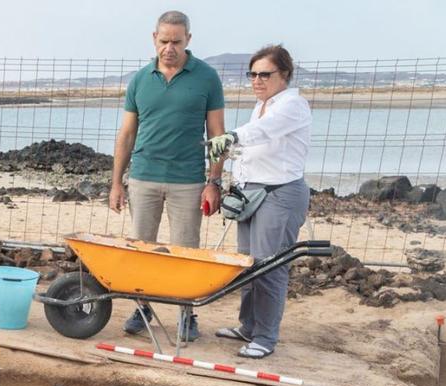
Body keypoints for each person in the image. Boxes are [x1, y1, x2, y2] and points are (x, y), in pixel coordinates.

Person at [108, 10, 227, 340]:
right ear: (154, 39)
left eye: (176, 41)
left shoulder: (206, 78)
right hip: (143, 178)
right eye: (164, 41)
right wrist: (117, 182)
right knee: (141, 249)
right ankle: (142, 307)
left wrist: (214, 182)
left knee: (185, 252)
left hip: (188, 181)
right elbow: (127, 134)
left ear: (188, 39)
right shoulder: (140, 79)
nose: (169, 48)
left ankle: (186, 314)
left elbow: (218, 134)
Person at [206, 45, 312, 359]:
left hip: (280, 194)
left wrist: (231, 138)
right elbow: (255, 145)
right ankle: (248, 326)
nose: (257, 80)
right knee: (249, 265)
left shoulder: (293, 105)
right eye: (252, 74)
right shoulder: (262, 105)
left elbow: (262, 133)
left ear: (285, 75)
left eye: (265, 74)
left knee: (270, 266)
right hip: (251, 194)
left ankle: (265, 338)